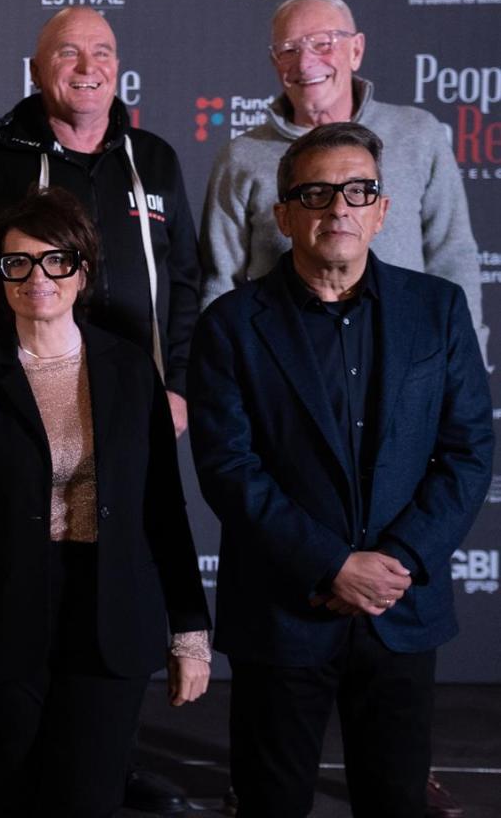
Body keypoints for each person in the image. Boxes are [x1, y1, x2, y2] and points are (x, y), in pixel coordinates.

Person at [190, 122, 492, 818]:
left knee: (395, 800)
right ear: (284, 214)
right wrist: (332, 565)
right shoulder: (232, 325)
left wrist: (399, 561)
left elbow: (470, 449)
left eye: (359, 191)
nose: (340, 208)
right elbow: (228, 467)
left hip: (401, 606)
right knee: (273, 801)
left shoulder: (437, 311)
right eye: (318, 192)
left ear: (383, 211)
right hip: (283, 611)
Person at [0, 188, 210, 817]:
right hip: (5, 623)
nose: (37, 278)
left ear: (81, 271)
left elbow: (164, 508)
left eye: (56, 261)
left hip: (110, 611)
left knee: (90, 799)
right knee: (7, 799)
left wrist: (190, 630)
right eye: (17, 263)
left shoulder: (132, 370)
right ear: (0, 275)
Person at [199, 0, 486, 358]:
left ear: (356, 50)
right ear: (274, 62)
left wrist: (465, 356)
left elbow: (452, 256)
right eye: (288, 49)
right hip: (283, 369)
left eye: (322, 43)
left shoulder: (418, 134)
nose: (305, 63)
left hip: (404, 359)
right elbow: (221, 282)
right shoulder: (241, 157)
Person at [0, 6, 199, 439]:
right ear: (37, 71)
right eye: (69, 53)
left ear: (117, 68)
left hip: (142, 394)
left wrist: (177, 385)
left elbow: (185, 281)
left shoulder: (156, 159)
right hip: (31, 401)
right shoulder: (0, 163)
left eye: (102, 53)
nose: (88, 67)